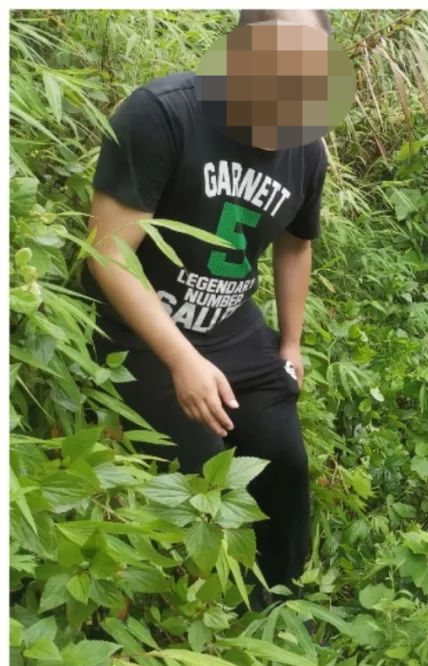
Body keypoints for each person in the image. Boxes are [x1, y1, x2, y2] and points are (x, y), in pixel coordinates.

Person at [82, 10, 336, 603]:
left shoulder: (308, 150)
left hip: (231, 324)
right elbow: (108, 253)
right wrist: (181, 359)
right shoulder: (163, 114)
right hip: (136, 330)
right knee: (202, 469)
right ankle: (196, 610)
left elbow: (296, 245)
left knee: (284, 462)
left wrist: (291, 343)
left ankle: (281, 601)